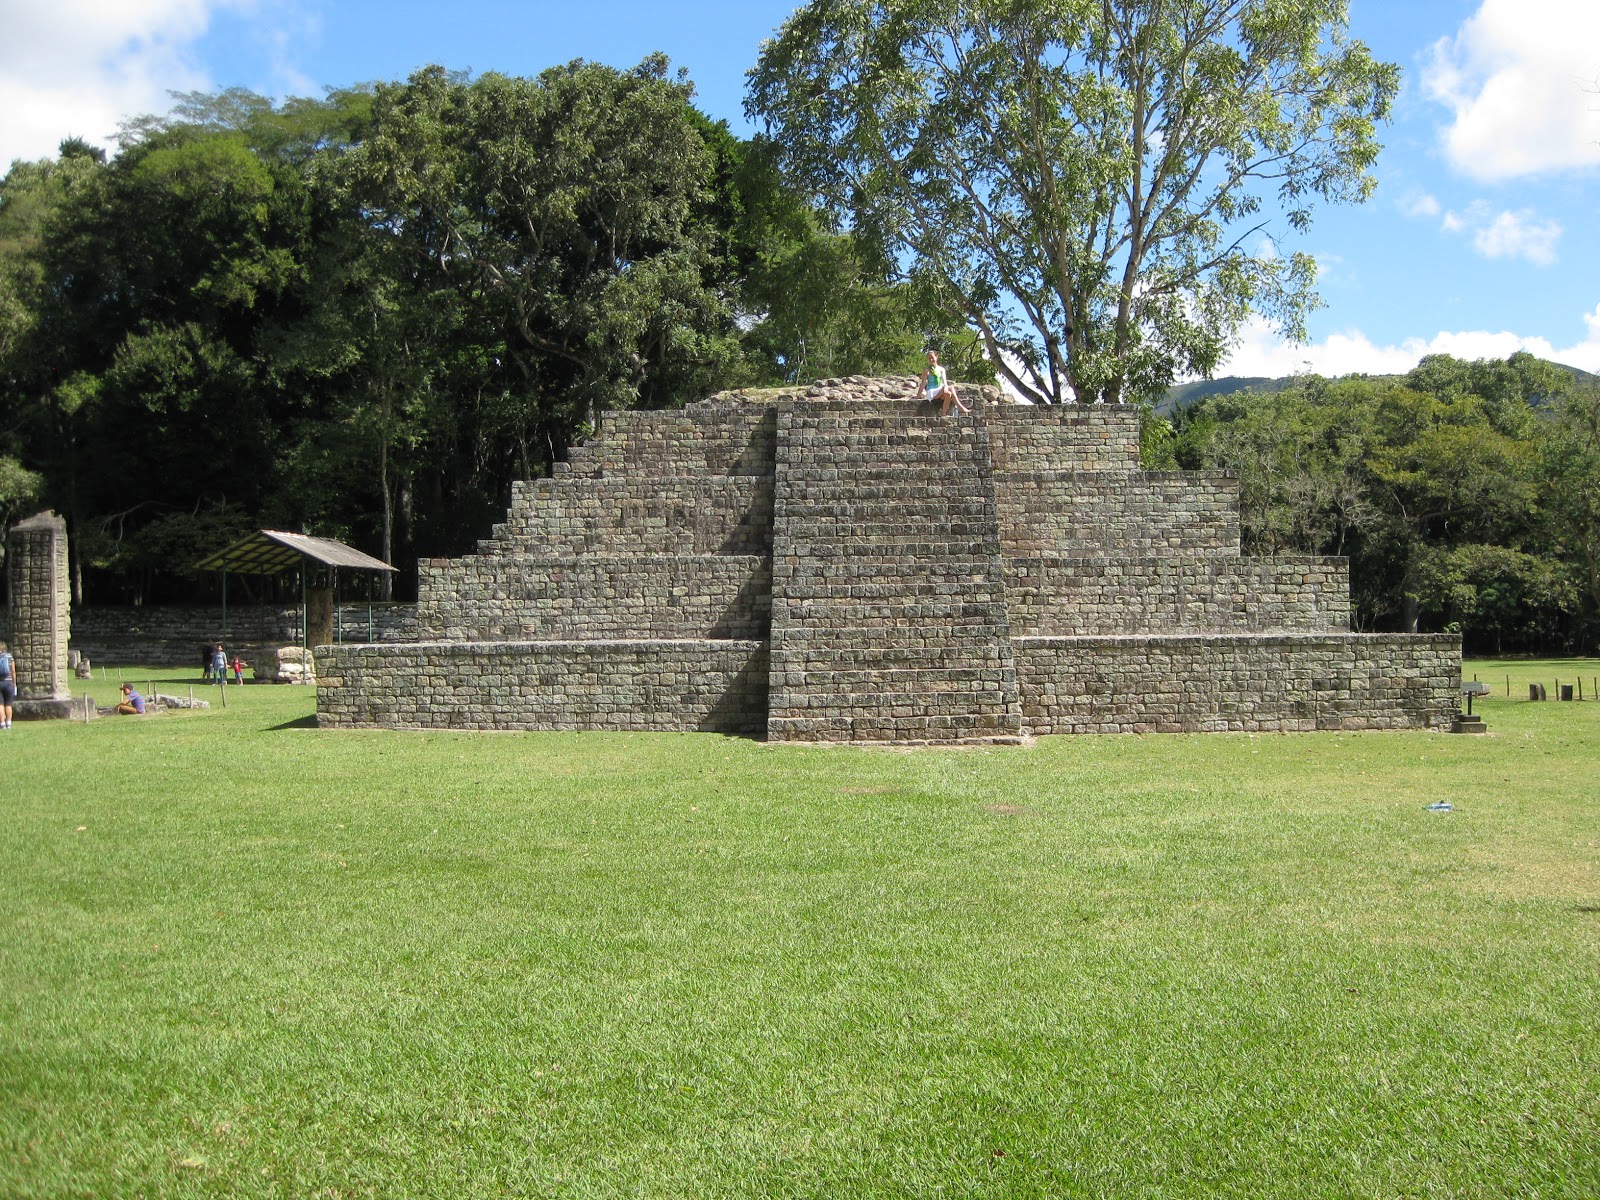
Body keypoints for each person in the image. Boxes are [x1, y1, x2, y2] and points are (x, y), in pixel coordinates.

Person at [921, 349, 969, 416]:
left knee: (948, 394)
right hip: (931, 392)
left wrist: (945, 388)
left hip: (940, 390)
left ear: (936, 357)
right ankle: (960, 407)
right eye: (929, 358)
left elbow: (944, 381)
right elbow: (923, 383)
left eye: (932, 357)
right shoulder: (926, 370)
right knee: (951, 388)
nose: (931, 360)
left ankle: (944, 414)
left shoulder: (941, 369)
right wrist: (918, 395)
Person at [0, 640, 15, 729]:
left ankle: (2, 723)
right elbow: (13, 671)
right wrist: (14, 683)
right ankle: (8, 723)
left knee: (0, 704)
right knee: (8, 704)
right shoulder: (9, 657)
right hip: (9, 683)